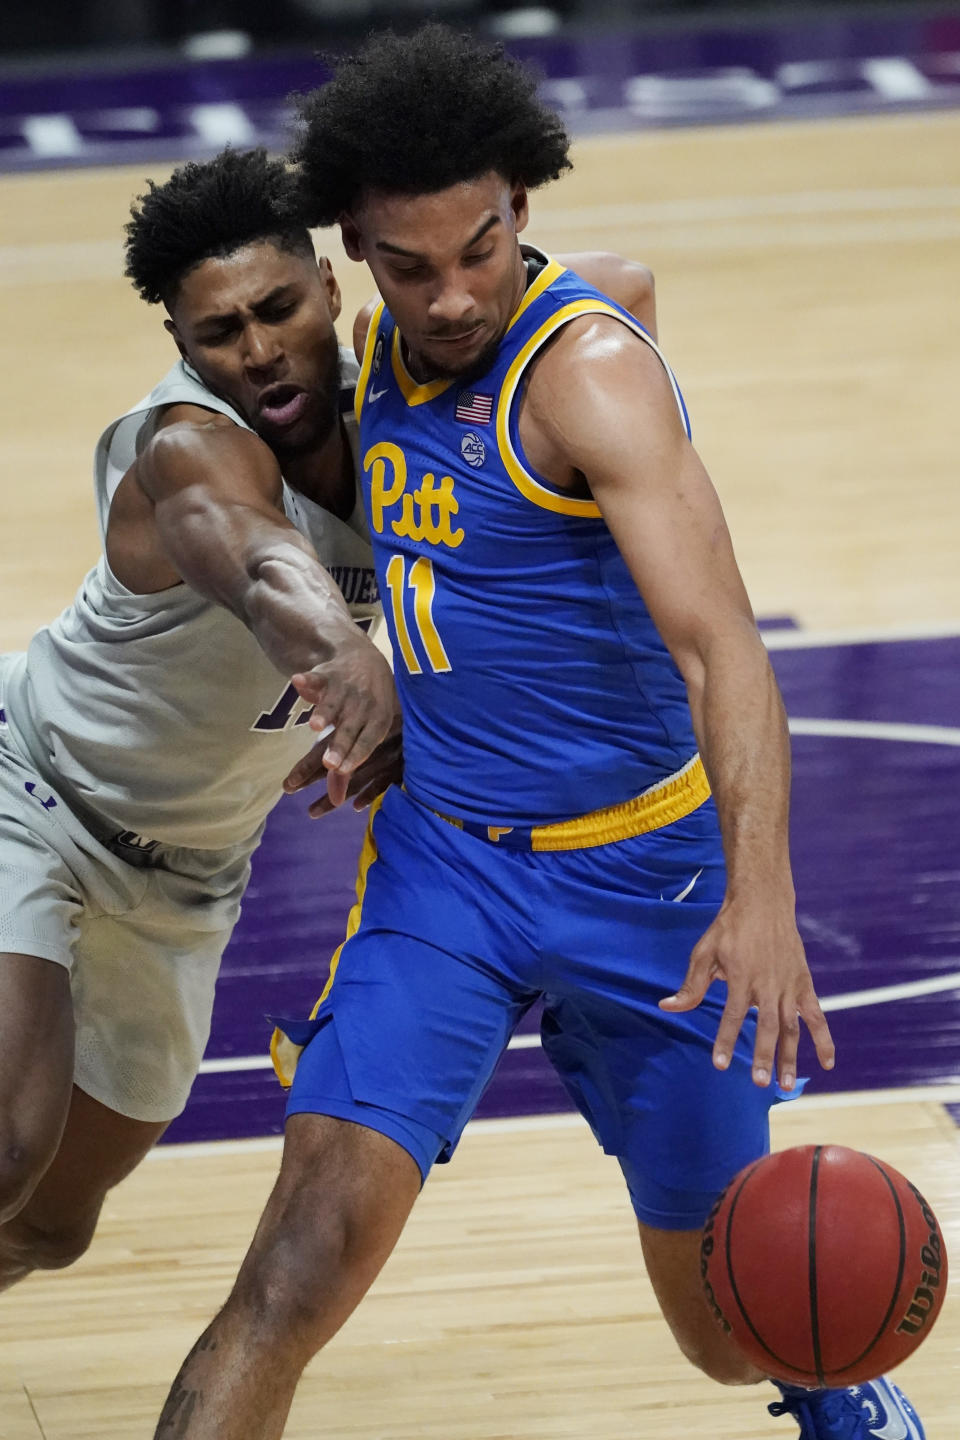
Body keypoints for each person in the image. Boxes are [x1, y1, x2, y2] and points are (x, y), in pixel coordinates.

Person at [152, 28, 924, 1440]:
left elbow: (723, 647)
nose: (453, 297)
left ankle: (828, 1373)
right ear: (354, 256)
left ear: (525, 207)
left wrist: (764, 898)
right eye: (411, 264)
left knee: (722, 1330)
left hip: (655, 889)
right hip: (448, 872)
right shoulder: (368, 353)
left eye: (486, 247)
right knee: (295, 1266)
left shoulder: (588, 378)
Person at [0, 142, 657, 1299]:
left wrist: (441, 247)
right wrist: (351, 657)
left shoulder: (403, 393)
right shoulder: (182, 450)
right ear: (181, 350)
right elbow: (259, 564)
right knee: (7, 1140)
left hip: (192, 878)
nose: (255, 350)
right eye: (219, 334)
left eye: (275, 309)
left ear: (334, 286)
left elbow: (628, 281)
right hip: (34, 796)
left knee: (49, 1227)